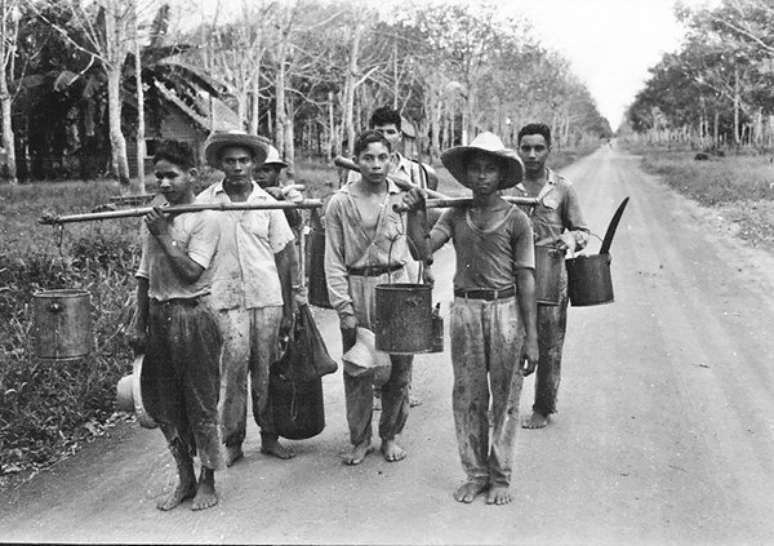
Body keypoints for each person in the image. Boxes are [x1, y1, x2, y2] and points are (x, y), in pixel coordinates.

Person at [402, 131, 539, 505]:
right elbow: (423, 249)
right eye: (475, 169)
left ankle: (501, 476)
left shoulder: (517, 221)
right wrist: (416, 213)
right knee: (467, 396)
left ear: (501, 175)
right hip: (465, 311)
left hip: (506, 310)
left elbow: (526, 279)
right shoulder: (456, 212)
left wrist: (532, 337)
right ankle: (476, 473)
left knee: (506, 398)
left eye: (489, 170)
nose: (481, 177)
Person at [128, 140, 223, 511]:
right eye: (159, 176)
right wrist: (139, 322)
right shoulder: (153, 214)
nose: (165, 183)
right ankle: (184, 476)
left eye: (173, 175)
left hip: (194, 314)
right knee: (165, 403)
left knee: (200, 402)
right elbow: (143, 273)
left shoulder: (206, 217)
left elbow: (189, 273)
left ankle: (208, 480)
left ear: (192, 175)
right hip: (159, 316)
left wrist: (165, 235)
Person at [325, 130, 427, 465]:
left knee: (400, 367)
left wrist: (418, 210)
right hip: (358, 287)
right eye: (368, 157)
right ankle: (360, 438)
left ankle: (391, 435)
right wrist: (344, 308)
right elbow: (334, 259)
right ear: (356, 160)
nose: (376, 165)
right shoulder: (341, 202)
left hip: (397, 286)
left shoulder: (403, 196)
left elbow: (418, 245)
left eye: (383, 157)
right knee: (359, 366)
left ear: (391, 159)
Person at [197, 130, 297, 466]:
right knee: (234, 369)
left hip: (266, 297)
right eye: (230, 161)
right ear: (220, 165)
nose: (237, 167)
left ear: (254, 163)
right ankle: (233, 440)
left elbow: (284, 254)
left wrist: (289, 306)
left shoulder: (268, 203)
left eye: (243, 160)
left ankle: (270, 436)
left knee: (267, 368)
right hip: (224, 299)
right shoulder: (205, 202)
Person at [346, 106, 436, 409]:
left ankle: (403, 385)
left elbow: (425, 221)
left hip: (404, 259)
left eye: (390, 132)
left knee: (404, 329)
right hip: (371, 255)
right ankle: (376, 387)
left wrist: (428, 267)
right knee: (370, 332)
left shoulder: (413, 170)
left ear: (399, 135)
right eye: (379, 130)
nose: (385, 136)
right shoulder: (356, 168)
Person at [511, 122, 589, 430]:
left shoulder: (563, 188)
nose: (531, 154)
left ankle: (543, 407)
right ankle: (505, 404)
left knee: (550, 344)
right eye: (526, 148)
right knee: (510, 341)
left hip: (550, 274)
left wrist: (570, 240)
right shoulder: (508, 187)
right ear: (518, 149)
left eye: (538, 148)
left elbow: (582, 230)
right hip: (512, 274)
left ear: (549, 150)